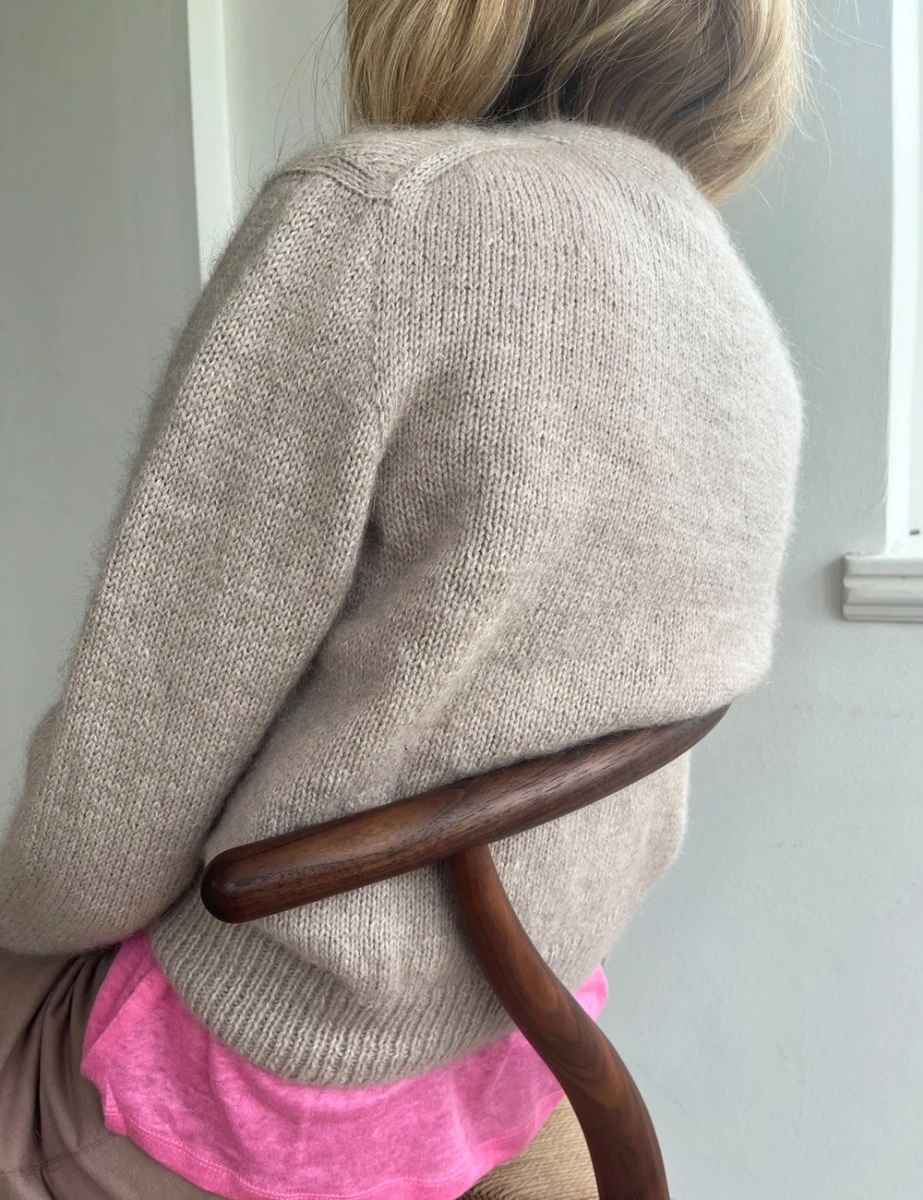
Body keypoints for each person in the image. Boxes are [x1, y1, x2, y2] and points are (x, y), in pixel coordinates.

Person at [0, 1, 805, 1197]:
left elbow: (110, 813)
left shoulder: (378, 219)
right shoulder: (721, 300)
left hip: (283, 1060)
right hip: (518, 1019)